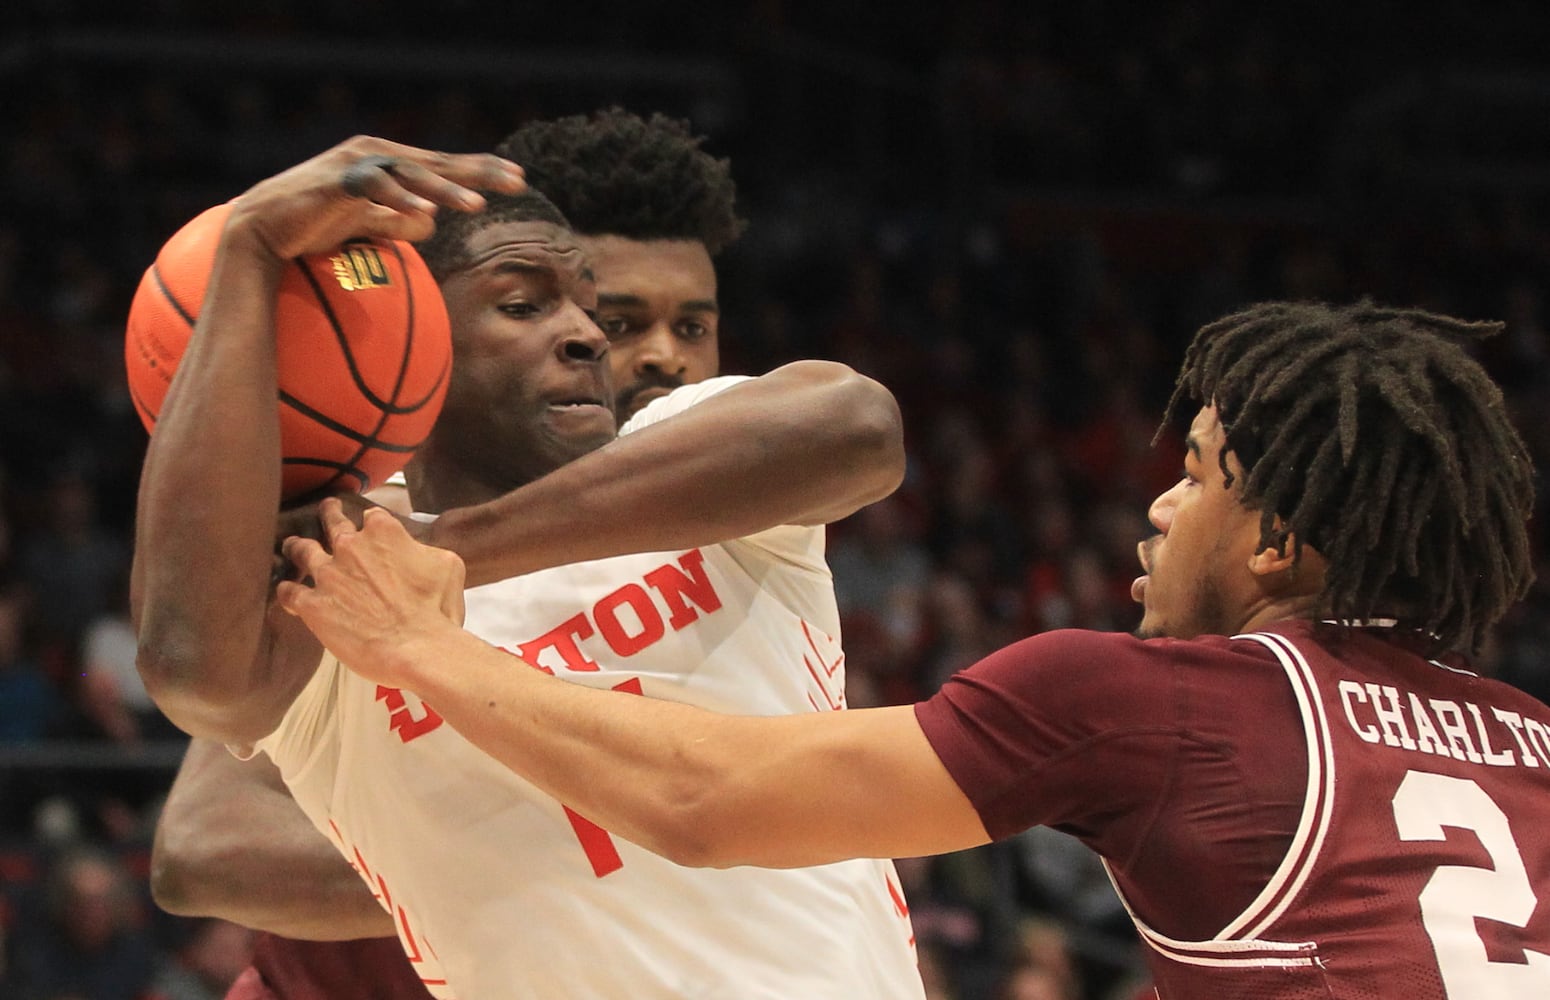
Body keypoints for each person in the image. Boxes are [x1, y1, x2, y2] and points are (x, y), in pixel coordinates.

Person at [279, 300, 1550, 1000]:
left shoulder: (1143, 700)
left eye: (1199, 478)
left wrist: (417, 647)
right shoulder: (1532, 740)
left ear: (1273, 542)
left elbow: (704, 797)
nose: (1160, 504)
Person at [132, 134, 923, 999]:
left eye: (589, 308)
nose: (587, 336)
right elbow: (191, 676)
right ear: (412, 335)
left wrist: (450, 551)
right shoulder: (333, 583)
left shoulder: (687, 455)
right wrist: (248, 249)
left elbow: (859, 427)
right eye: (525, 306)